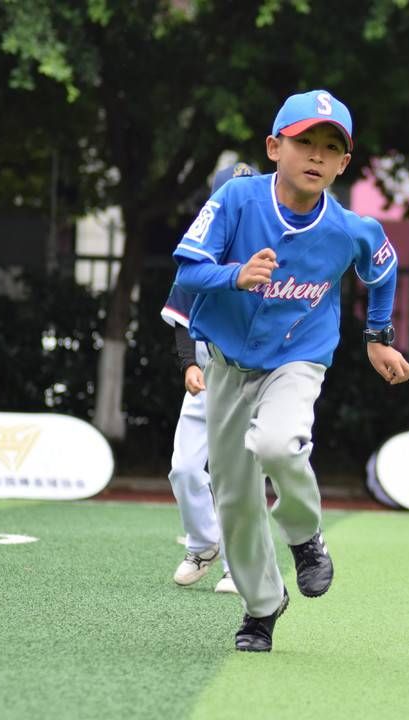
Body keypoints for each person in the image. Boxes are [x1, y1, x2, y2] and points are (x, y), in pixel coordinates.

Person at [172, 89, 409, 652]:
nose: (317, 155)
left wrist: (377, 338)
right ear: (274, 146)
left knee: (279, 444)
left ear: (344, 163)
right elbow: (188, 267)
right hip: (229, 362)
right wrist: (234, 275)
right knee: (232, 499)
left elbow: (384, 268)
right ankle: (262, 607)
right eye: (305, 141)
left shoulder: (350, 227)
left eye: (332, 147)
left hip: (298, 359)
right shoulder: (236, 199)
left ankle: (306, 536)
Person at [162, 162, 261, 595]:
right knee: (184, 469)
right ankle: (203, 545)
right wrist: (188, 364)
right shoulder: (200, 250)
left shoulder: (269, 250)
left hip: (254, 378)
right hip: (208, 374)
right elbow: (182, 318)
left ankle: (239, 569)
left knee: (238, 476)